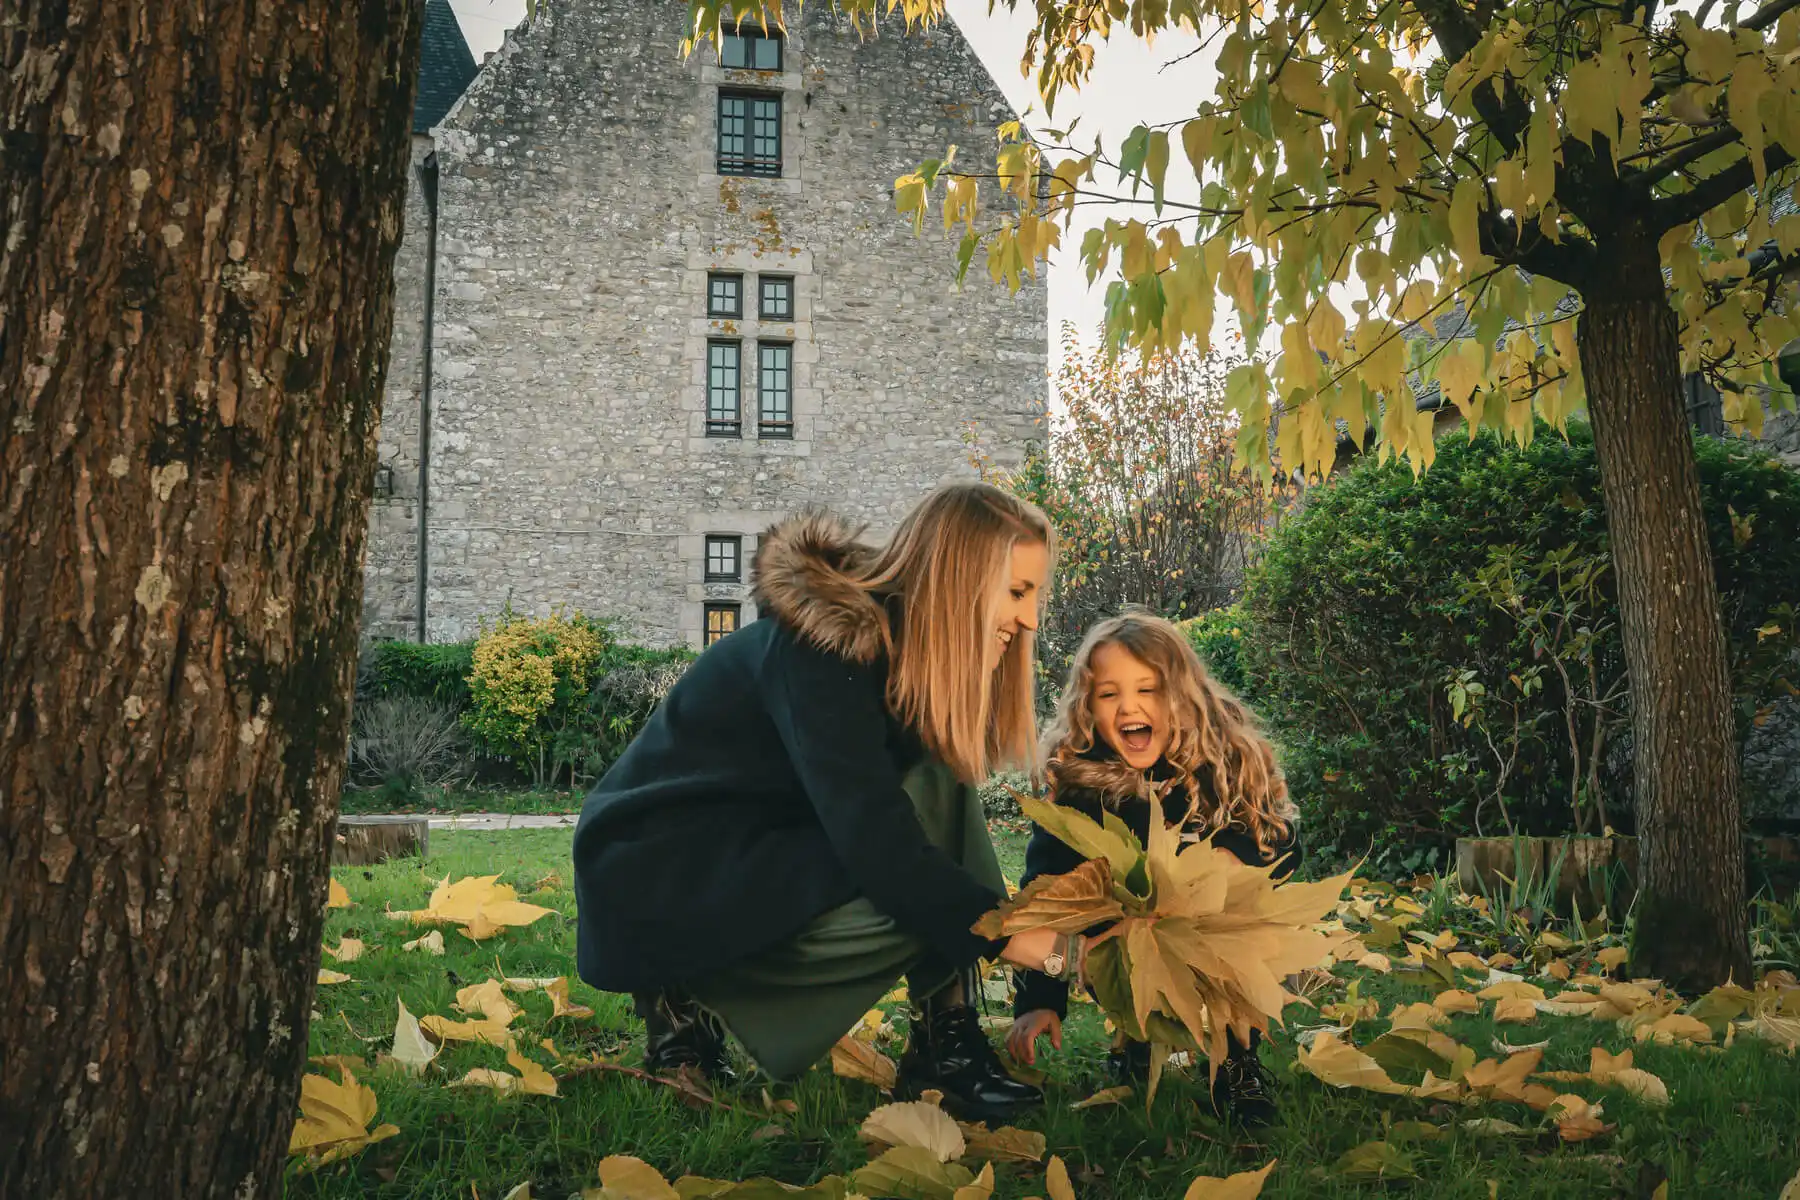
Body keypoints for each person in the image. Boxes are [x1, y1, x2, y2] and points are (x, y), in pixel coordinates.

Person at [572, 482, 1070, 1124]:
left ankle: (945, 1038)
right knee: (930, 858)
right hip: (659, 873)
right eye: (1017, 592)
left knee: (940, 797)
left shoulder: (895, 662)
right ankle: (680, 1007)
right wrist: (1022, 939)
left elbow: (886, 841)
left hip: (755, 854)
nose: (1029, 619)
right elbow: (885, 854)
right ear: (960, 581)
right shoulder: (824, 651)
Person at [1004, 611, 1301, 1127]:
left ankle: (1238, 1061)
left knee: (1243, 930)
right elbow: (1046, 893)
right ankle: (1139, 1036)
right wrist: (1040, 999)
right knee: (1117, 940)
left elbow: (1280, 838)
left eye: (1148, 689)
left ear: (1182, 696)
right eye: (1109, 694)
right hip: (1125, 941)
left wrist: (1232, 863)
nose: (1130, 706)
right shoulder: (1080, 787)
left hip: (1219, 931)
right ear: (1087, 709)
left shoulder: (1225, 761)